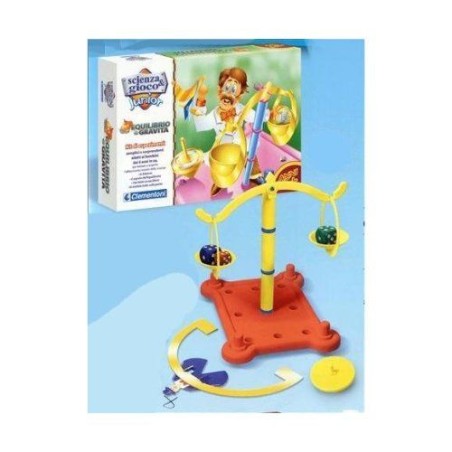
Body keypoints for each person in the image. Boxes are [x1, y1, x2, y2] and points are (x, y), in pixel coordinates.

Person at [192, 67, 268, 196]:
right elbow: (201, 125)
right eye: (226, 88)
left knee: (250, 154)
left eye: (233, 90)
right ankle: (220, 182)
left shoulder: (242, 110)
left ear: (240, 94)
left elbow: (258, 118)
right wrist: (201, 100)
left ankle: (255, 176)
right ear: (219, 89)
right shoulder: (215, 114)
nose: (228, 94)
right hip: (222, 147)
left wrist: (266, 108)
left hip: (240, 144)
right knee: (218, 165)